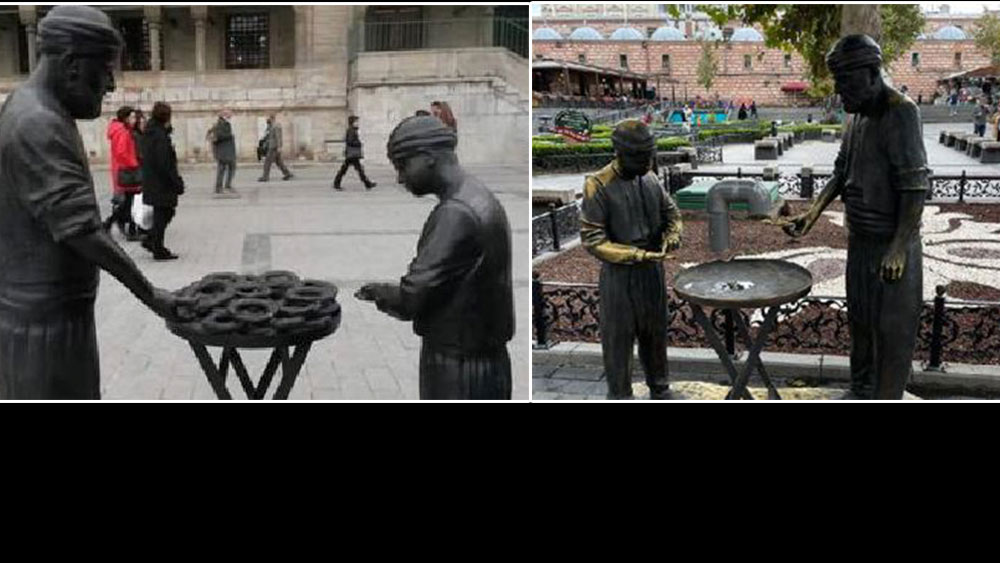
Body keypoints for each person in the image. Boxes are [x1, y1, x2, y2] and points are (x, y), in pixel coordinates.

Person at [0, 5, 176, 399]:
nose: (110, 86)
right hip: (43, 330)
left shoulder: (35, 108)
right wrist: (152, 295)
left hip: (53, 318)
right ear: (72, 64)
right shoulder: (37, 123)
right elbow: (81, 230)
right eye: (106, 70)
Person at [772, 35, 928, 400]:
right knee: (861, 325)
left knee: (891, 333)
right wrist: (812, 214)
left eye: (846, 82)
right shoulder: (857, 116)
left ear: (873, 74)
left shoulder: (901, 112)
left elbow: (915, 187)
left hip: (891, 248)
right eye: (838, 82)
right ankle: (860, 391)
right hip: (860, 241)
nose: (840, 92)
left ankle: (886, 396)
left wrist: (900, 247)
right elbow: (841, 172)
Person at [356, 116, 514, 400]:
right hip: (482, 358)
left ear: (428, 158)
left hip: (460, 365)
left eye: (403, 166)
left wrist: (381, 294)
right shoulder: (476, 194)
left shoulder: (455, 214)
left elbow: (413, 297)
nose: (401, 178)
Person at [579, 120, 683, 400]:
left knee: (655, 333)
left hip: (652, 273)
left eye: (649, 155)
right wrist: (636, 255)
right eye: (639, 156)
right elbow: (593, 240)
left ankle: (660, 388)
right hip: (619, 276)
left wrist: (672, 234)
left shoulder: (650, 178)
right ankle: (620, 395)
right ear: (619, 152)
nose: (646, 162)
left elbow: (672, 213)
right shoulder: (597, 185)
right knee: (618, 341)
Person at [140, 101, 185, 261]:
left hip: (153, 181)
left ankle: (153, 241)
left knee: (163, 213)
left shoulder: (151, 132)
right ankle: (156, 246)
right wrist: (176, 182)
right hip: (161, 183)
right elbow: (164, 163)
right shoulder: (159, 136)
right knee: (164, 213)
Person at [103, 105, 143, 241]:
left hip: (123, 170)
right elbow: (122, 152)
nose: (134, 120)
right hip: (128, 171)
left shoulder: (121, 130)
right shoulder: (123, 132)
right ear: (125, 118)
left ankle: (115, 225)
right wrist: (134, 163)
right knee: (130, 202)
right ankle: (114, 225)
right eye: (132, 117)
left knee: (128, 202)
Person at [333, 115, 376, 191]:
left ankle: (367, 183)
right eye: (356, 122)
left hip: (352, 154)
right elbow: (350, 141)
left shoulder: (352, 130)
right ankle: (367, 184)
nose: (358, 123)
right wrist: (358, 143)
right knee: (353, 169)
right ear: (353, 122)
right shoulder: (351, 130)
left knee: (353, 169)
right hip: (352, 153)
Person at [210, 108, 238, 196]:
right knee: (223, 169)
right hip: (224, 152)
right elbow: (218, 136)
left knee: (228, 168)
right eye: (229, 114)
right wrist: (230, 136)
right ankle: (221, 187)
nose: (231, 116)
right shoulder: (221, 124)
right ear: (224, 115)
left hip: (226, 151)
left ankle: (225, 186)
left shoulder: (224, 124)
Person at [258, 113, 294, 182]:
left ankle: (265, 177)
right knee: (279, 162)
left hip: (274, 147)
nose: (266, 120)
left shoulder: (276, 126)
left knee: (267, 162)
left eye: (267, 118)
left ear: (272, 118)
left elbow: (278, 137)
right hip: (272, 146)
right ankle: (287, 173)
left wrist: (279, 147)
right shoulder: (271, 126)